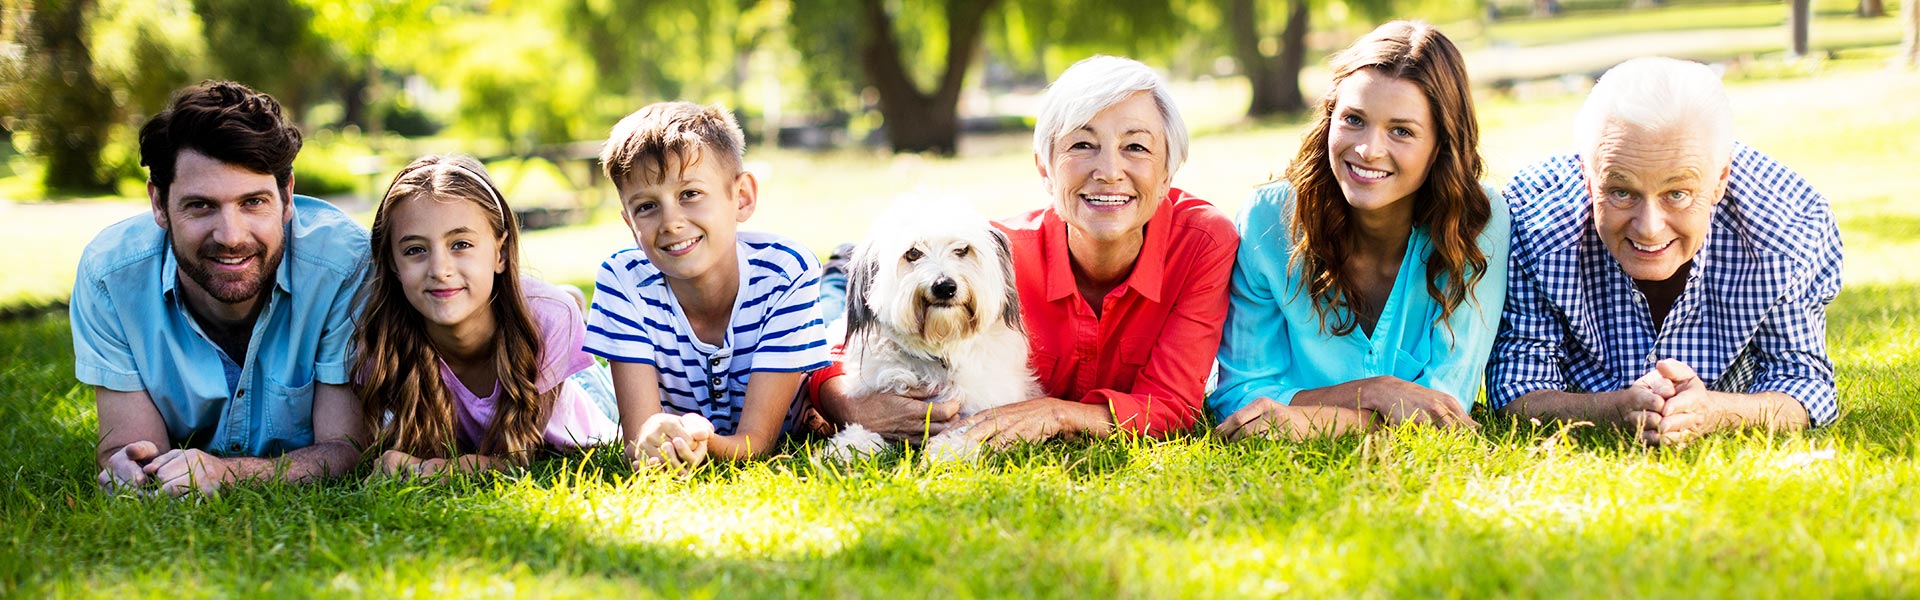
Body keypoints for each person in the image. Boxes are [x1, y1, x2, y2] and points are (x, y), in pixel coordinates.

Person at [810, 55, 1240, 447]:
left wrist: (1055, 414)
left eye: (1136, 147)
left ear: (1168, 171)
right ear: (1044, 169)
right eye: (1082, 145)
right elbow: (842, 346)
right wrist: (847, 403)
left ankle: (839, 271)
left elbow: (1172, 406)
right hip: (867, 294)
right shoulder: (989, 256)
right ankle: (842, 271)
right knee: (842, 303)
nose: (1109, 172)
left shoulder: (1202, 245)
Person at [1488, 57, 1844, 445]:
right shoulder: (1530, 220)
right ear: (1588, 178)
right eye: (1621, 192)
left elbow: (1805, 386)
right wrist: (1615, 410)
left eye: (1677, 194)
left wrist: (1715, 412)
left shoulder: (1787, 225)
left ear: (1719, 180)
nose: (1649, 227)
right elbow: (1516, 391)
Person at [1209, 21, 1510, 441]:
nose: (1369, 149)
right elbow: (1240, 393)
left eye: (1401, 131)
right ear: (1330, 118)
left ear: (1441, 145)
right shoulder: (1267, 220)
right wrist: (1377, 393)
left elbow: (1445, 405)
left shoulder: (1477, 220)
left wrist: (1309, 421)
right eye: (1354, 119)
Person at [71, 81, 370, 496]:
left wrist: (228, 475)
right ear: (159, 204)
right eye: (200, 205)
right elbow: (135, 450)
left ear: (287, 197)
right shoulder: (110, 277)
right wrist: (130, 466)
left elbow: (348, 448)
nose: (231, 236)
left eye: (253, 202)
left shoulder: (343, 267)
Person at [585, 102, 831, 470]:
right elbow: (639, 443)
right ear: (629, 222)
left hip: (806, 347)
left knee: (842, 324)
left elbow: (756, 444)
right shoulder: (623, 280)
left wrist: (697, 440)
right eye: (647, 206)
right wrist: (657, 443)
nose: (671, 222)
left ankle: (841, 275)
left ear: (742, 198)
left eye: (690, 195)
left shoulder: (785, 273)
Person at [354, 155, 620, 478]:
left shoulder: (550, 323)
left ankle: (572, 304)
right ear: (393, 265)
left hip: (579, 402)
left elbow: (520, 457)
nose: (440, 270)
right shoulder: (383, 344)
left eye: (461, 244)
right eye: (415, 250)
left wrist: (431, 469)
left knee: (574, 349)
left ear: (501, 253)